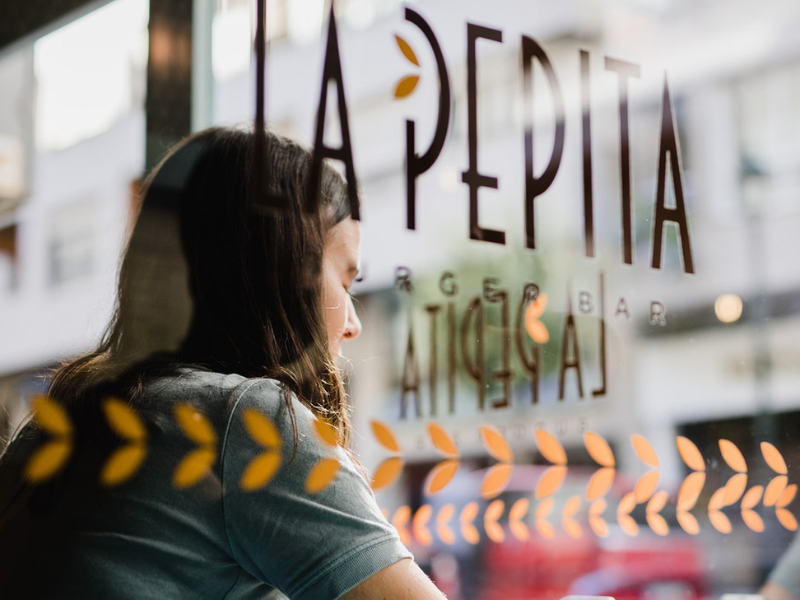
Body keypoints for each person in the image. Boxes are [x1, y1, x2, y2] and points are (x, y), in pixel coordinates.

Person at [0, 127, 447, 600]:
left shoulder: (61, 422)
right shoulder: (248, 422)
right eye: (345, 278)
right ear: (283, 274)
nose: (353, 322)